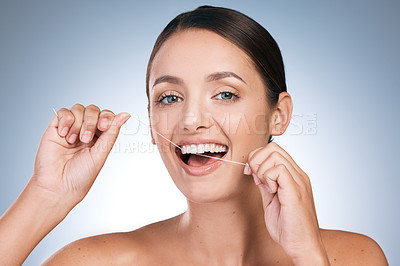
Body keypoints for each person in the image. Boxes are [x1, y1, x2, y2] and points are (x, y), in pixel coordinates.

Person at [0, 5, 388, 265]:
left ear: (279, 115)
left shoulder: (354, 256)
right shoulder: (97, 261)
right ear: (152, 125)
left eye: (224, 94)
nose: (191, 119)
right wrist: (46, 197)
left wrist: (307, 256)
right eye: (169, 97)